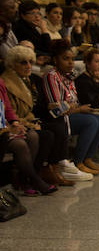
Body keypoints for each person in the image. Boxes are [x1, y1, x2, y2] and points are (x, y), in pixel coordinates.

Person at [2, 45, 73, 187]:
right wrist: (21, 123)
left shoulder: (32, 79)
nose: (28, 66)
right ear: (12, 64)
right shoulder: (7, 82)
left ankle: (47, 169)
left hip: (30, 119)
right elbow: (9, 110)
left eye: (30, 62)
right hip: (17, 122)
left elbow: (38, 104)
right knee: (44, 134)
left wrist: (49, 107)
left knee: (57, 126)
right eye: (23, 62)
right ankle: (33, 175)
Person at [43, 41, 99, 176]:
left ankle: (87, 158)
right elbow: (56, 109)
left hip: (73, 112)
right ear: (55, 60)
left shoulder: (70, 76)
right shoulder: (52, 76)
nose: (71, 63)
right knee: (92, 121)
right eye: (66, 59)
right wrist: (78, 109)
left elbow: (74, 101)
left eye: (72, 59)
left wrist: (79, 108)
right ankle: (78, 161)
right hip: (59, 118)